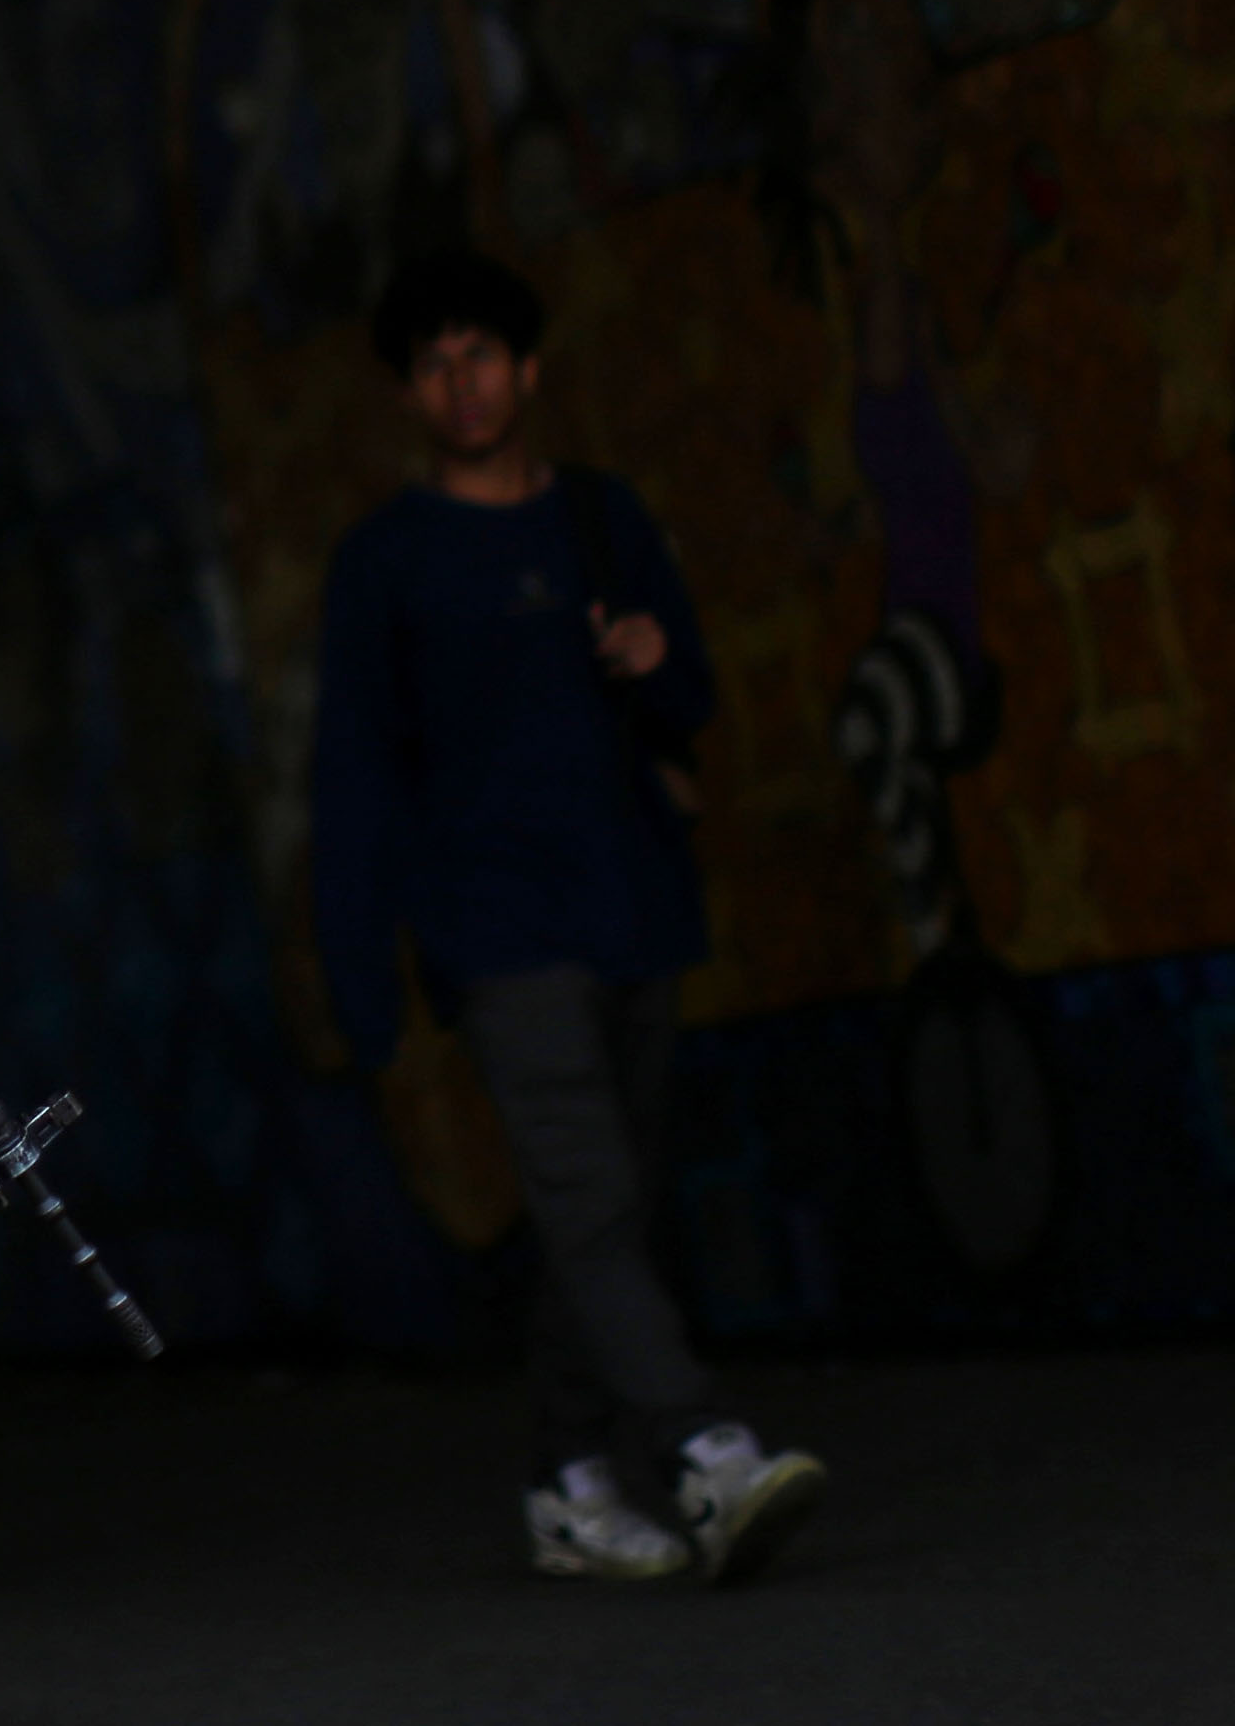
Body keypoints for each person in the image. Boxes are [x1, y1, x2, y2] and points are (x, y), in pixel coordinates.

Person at [308, 249, 829, 1586]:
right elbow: (356, 778)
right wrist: (361, 982)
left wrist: (661, 666)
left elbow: (692, 702)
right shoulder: (386, 563)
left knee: (600, 1206)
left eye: (481, 354)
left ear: (528, 371)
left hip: (630, 908)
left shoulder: (601, 519)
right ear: (411, 394)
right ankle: (706, 1457)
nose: (460, 382)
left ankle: (566, 1479)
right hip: (495, 932)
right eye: (432, 364)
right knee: (590, 1195)